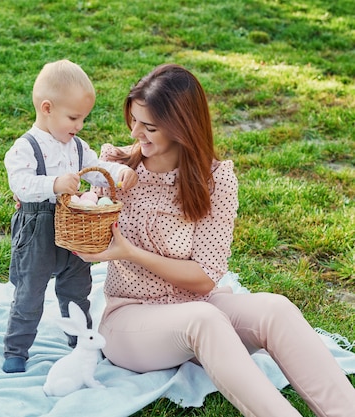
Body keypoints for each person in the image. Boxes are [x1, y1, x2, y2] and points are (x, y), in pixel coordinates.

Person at [76, 64, 355, 416]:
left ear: (182, 128)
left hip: (203, 303)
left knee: (276, 309)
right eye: (133, 120)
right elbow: (81, 215)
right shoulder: (116, 167)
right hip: (132, 320)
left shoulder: (216, 179)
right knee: (204, 320)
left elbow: (206, 275)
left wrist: (131, 252)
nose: (136, 133)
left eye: (149, 127)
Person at [2, 59, 138, 373]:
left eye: (83, 119)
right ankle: (17, 349)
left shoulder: (77, 147)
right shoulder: (26, 147)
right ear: (47, 108)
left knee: (77, 288)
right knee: (29, 291)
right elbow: (20, 184)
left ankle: (81, 342)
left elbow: (97, 172)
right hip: (38, 230)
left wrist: (120, 173)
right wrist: (54, 184)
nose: (79, 125)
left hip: (76, 228)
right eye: (74, 117)